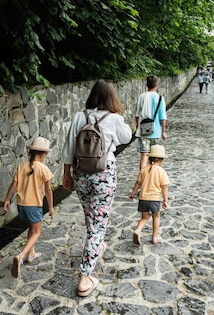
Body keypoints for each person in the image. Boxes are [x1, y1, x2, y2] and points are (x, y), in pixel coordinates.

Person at [61, 79, 132, 297]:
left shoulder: (80, 116)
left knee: (90, 216)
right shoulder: (114, 118)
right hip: (104, 175)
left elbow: (69, 148)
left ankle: (96, 247)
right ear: (111, 97)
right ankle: (85, 277)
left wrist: (66, 174)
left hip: (81, 173)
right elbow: (127, 137)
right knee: (98, 225)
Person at [3, 136, 55, 278]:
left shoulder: (21, 166)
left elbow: (13, 185)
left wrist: (7, 200)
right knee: (37, 232)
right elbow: (48, 191)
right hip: (34, 206)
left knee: (31, 229)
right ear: (43, 154)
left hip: (21, 205)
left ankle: (31, 254)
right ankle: (20, 256)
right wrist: (50, 207)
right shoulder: (43, 168)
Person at [128, 144, 170, 245]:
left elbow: (138, 183)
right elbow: (164, 187)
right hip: (155, 199)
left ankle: (138, 230)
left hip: (143, 198)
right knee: (156, 217)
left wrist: (133, 194)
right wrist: (165, 200)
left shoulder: (143, 169)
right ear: (161, 160)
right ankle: (155, 237)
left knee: (144, 218)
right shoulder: (161, 171)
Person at [134, 75, 167, 169]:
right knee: (155, 157)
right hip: (156, 131)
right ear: (157, 84)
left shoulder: (142, 96)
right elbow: (163, 117)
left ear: (146, 85)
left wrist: (138, 127)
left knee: (143, 157)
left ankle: (142, 178)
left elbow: (137, 115)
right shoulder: (160, 98)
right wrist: (163, 131)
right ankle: (152, 176)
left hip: (144, 130)